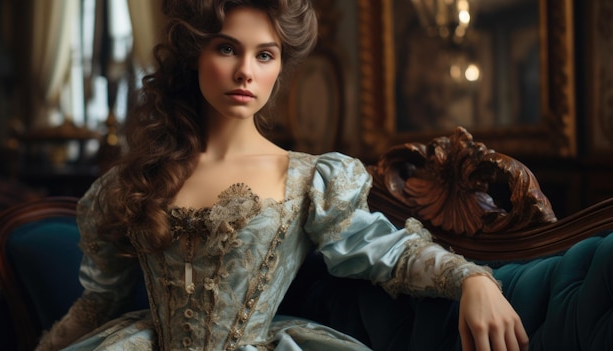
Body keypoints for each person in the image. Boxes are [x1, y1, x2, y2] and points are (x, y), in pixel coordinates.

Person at [36, 0, 529, 350]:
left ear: (278, 68)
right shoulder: (134, 181)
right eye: (227, 49)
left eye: (264, 55)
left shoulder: (309, 180)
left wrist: (472, 280)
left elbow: (389, 254)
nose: (245, 71)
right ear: (195, 57)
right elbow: (100, 299)